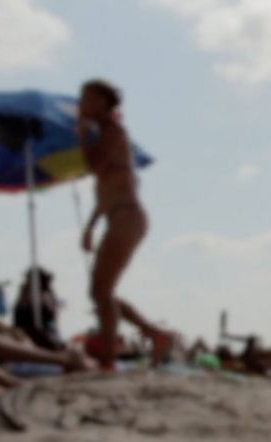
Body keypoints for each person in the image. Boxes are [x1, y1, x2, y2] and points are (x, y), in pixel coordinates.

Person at [77, 78, 172, 370]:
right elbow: (106, 190)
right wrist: (91, 226)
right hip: (119, 215)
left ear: (103, 103)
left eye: (87, 99)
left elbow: (97, 166)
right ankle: (154, 334)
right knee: (100, 291)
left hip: (127, 216)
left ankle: (109, 359)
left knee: (101, 292)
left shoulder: (114, 133)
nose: (81, 104)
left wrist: (81, 136)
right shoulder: (107, 134)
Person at [13, 267, 65, 351]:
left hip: (44, 335)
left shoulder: (45, 296)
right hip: (27, 336)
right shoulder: (26, 294)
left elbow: (51, 318)